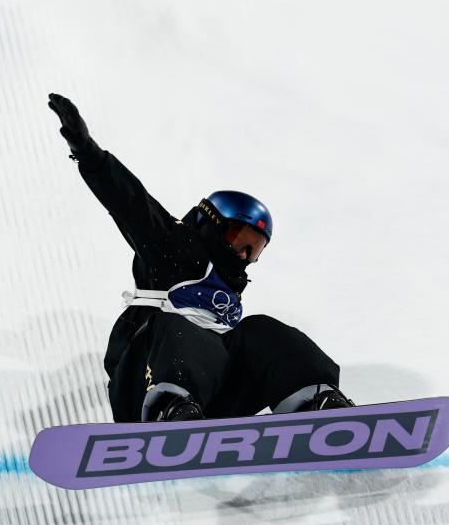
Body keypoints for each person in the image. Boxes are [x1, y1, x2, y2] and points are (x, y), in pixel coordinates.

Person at [47, 93, 354, 423]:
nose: (243, 255)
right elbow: (131, 203)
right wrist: (88, 152)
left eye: (254, 248)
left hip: (207, 399)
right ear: (212, 224)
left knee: (261, 330)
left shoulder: (228, 291)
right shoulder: (172, 247)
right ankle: (170, 408)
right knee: (182, 327)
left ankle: (315, 404)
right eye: (239, 239)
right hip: (143, 383)